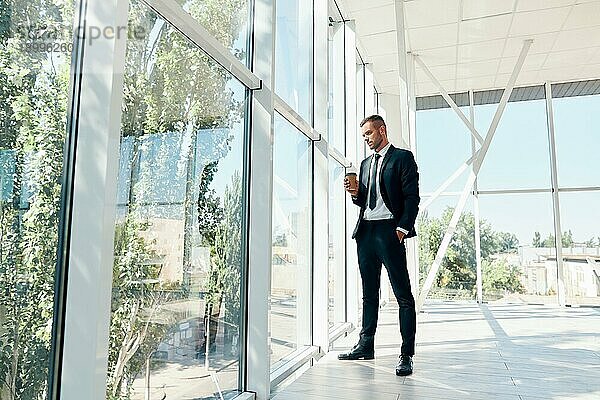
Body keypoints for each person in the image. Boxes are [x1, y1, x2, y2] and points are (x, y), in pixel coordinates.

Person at [338, 114, 420, 377]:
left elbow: (412, 198)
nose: (366, 139)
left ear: (382, 130)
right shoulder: (364, 164)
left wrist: (401, 230)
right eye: (363, 136)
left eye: (369, 134)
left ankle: (406, 354)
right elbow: (365, 199)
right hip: (366, 232)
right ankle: (365, 344)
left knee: (403, 297)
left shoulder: (402, 158)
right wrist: (354, 193)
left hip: (390, 231)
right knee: (369, 294)